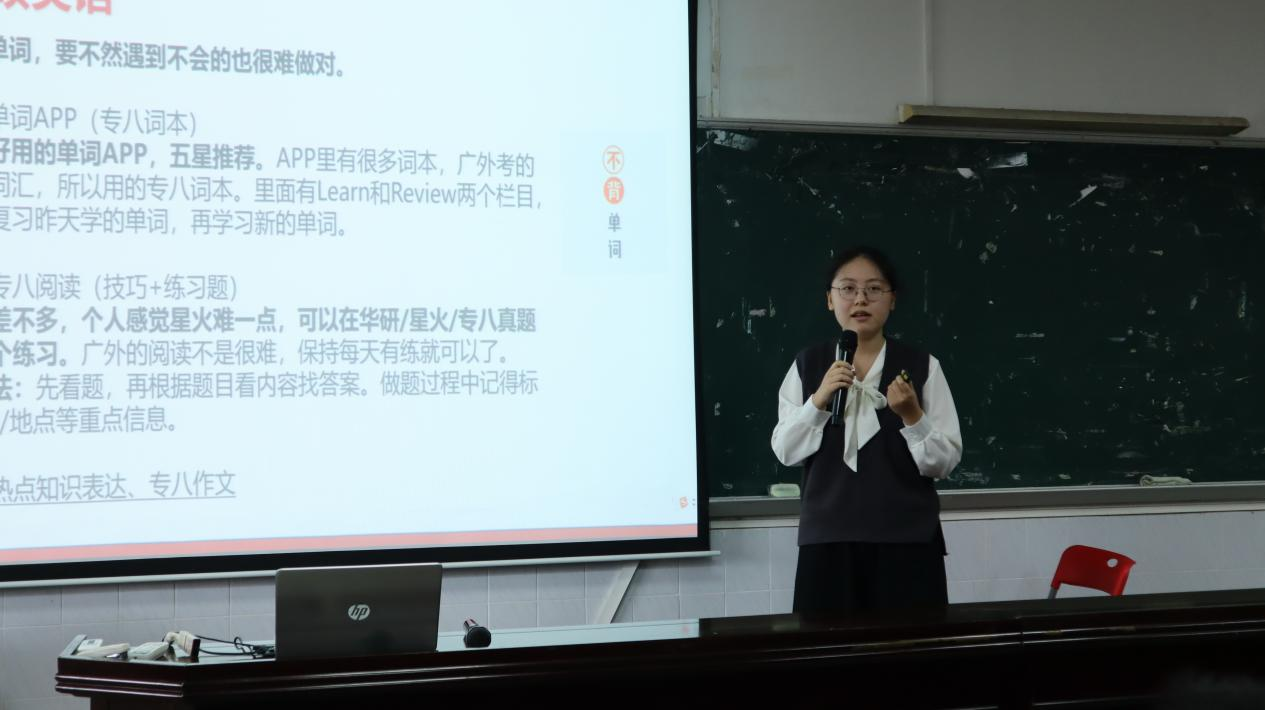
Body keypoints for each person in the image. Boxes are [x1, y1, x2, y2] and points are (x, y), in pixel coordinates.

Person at [770, 245, 963, 614]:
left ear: (892, 300)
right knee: (825, 646)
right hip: (828, 542)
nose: (860, 299)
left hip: (907, 542)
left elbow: (944, 462)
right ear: (830, 299)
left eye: (874, 289)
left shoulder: (922, 366)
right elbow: (786, 451)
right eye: (848, 288)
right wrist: (819, 399)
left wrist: (913, 416)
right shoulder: (808, 365)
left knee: (909, 645)